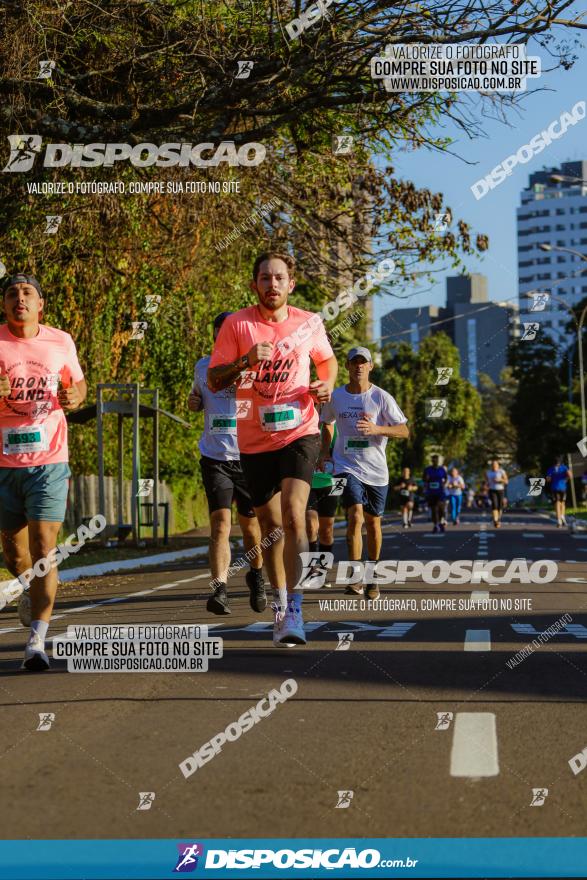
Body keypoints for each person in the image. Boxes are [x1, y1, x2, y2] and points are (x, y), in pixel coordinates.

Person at [208, 252, 337, 646]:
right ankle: (281, 603)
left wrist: (326, 384)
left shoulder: (308, 322)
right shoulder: (237, 325)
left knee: (295, 514)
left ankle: (295, 607)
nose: (272, 284)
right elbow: (214, 379)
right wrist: (245, 361)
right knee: (270, 526)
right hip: (253, 438)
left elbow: (327, 362)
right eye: (265, 278)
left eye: (279, 278)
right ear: (255, 285)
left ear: (290, 284)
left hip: (300, 430)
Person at [0, 274, 86, 671]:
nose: (20, 298)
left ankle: (36, 641)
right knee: (15, 555)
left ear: (40, 305)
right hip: (3, 464)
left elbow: (79, 386)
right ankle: (28, 591)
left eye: (27, 293)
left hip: (49, 460)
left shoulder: (60, 341)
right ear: (4, 305)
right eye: (12, 294)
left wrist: (74, 396)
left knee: (42, 548)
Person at [189, 312, 266, 615]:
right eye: (219, 333)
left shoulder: (255, 368)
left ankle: (257, 575)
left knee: (251, 530)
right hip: (215, 457)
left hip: (248, 457)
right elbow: (195, 398)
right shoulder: (202, 366)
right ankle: (219, 590)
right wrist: (193, 403)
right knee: (221, 525)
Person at [318, 347, 409, 600]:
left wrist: (377, 428)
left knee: (373, 524)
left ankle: (373, 576)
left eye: (363, 362)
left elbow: (403, 431)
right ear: (346, 366)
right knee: (355, 514)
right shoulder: (336, 397)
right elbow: (327, 421)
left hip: (377, 471)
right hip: (345, 465)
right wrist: (324, 451)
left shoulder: (381, 397)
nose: (358, 366)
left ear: (371, 367)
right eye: (353, 362)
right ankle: (356, 576)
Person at [303, 421, 340, 589]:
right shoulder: (303, 422)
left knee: (327, 530)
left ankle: (322, 573)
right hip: (307, 481)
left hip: (331, 482)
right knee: (310, 526)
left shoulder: (336, 426)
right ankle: (311, 570)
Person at [423, 454, 448, 533]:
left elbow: (446, 478)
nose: (435, 461)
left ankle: (441, 523)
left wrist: (444, 484)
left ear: (438, 461)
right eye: (433, 460)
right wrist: (426, 479)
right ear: (432, 461)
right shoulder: (428, 469)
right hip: (431, 492)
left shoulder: (442, 469)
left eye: (436, 460)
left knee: (441, 509)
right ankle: (436, 525)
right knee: (434, 509)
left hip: (440, 492)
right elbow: (423, 479)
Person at [546, 456, 571, 527]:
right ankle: (561, 517)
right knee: (560, 503)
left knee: (559, 503)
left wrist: (550, 478)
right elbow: (570, 475)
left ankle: (560, 518)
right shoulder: (563, 467)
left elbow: (548, 479)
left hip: (558, 488)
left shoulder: (552, 469)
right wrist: (566, 478)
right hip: (560, 488)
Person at [486, 459, 508, 528]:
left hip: (500, 490)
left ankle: (498, 519)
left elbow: (506, 481)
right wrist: (487, 485)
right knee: (494, 504)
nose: (494, 466)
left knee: (500, 506)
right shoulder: (488, 472)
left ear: (498, 465)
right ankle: (495, 520)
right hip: (492, 490)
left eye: (495, 465)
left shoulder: (501, 471)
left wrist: (500, 480)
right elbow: (487, 482)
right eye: (493, 465)